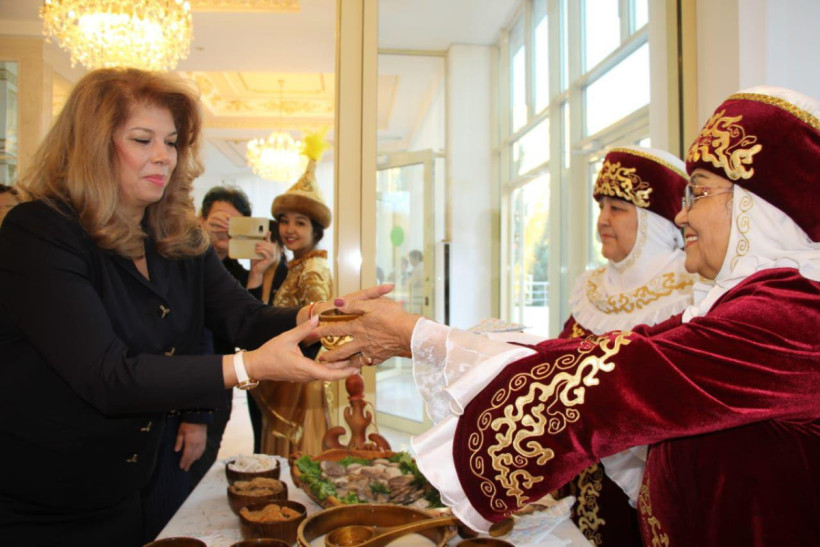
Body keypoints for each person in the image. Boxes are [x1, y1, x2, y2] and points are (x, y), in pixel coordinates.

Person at [319, 86, 820, 545]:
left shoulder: (794, 315)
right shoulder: (753, 305)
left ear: (758, 208)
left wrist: (415, 336)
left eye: (701, 192)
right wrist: (427, 338)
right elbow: (593, 356)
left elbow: (614, 381)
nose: (683, 214)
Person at [0, 68, 381, 546]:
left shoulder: (177, 238)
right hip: (41, 501)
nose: (164, 155)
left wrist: (319, 318)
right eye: (143, 140)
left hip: (126, 486)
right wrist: (249, 366)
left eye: (172, 142)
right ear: (91, 147)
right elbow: (107, 376)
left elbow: (245, 317)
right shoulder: (39, 231)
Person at [553, 146, 693, 546]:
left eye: (617, 208)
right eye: (601, 207)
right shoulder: (590, 289)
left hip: (643, 499)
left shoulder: (689, 296)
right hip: (576, 483)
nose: (602, 220)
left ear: (654, 223)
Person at [255, 130, 334, 457]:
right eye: (285, 221)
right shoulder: (296, 265)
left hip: (299, 380)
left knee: (298, 454)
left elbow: (319, 327)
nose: (289, 229)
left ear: (315, 231)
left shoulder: (313, 269)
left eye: (300, 223)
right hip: (289, 374)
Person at [195, 186, 287, 461]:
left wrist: (257, 274)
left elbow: (247, 329)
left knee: (205, 456)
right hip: (180, 379)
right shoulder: (183, 261)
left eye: (234, 223)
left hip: (219, 382)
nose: (225, 228)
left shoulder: (238, 274)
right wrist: (200, 240)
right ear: (201, 220)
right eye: (219, 219)